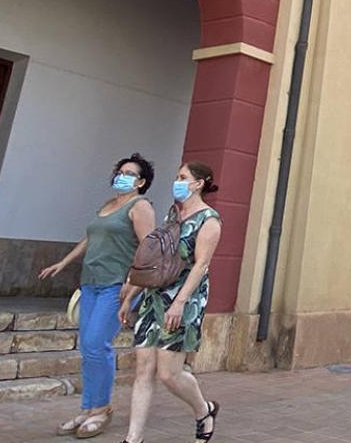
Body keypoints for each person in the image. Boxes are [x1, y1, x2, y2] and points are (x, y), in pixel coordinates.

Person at [39, 154, 157, 438]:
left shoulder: (140, 206)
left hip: (116, 285)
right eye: (120, 171)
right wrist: (63, 262)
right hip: (90, 283)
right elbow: (90, 237)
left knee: (96, 344)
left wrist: (132, 283)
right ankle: (88, 407)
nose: (122, 176)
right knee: (87, 348)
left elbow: (149, 247)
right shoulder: (108, 205)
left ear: (141, 182)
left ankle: (102, 409)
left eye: (129, 173)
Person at [119, 161, 223, 443]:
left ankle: (203, 410)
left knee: (168, 373)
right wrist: (131, 295)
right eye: (177, 176)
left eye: (182, 177)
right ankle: (133, 438)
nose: (177, 181)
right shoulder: (172, 214)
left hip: (184, 299)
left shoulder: (209, 220)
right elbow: (156, 258)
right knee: (143, 369)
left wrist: (179, 303)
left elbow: (201, 265)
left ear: (198, 184)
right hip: (155, 296)